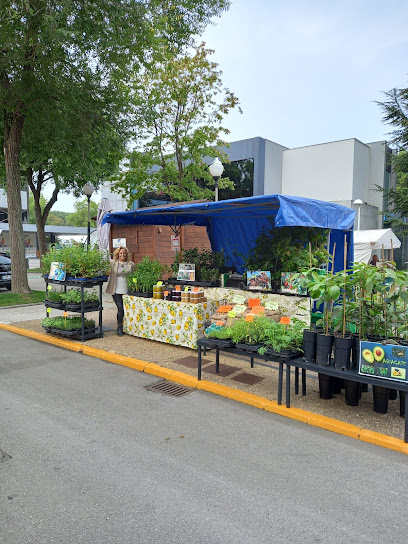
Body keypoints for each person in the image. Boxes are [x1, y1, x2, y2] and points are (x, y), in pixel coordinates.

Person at [106, 246, 135, 336]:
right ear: (118, 254)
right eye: (121, 253)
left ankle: (128, 326)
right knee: (120, 308)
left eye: (124, 253)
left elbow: (134, 276)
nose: (122, 255)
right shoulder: (113, 263)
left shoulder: (131, 264)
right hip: (116, 289)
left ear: (127, 254)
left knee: (127, 309)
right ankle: (119, 327)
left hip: (127, 289)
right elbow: (106, 271)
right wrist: (107, 272)